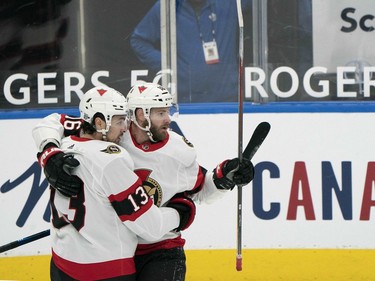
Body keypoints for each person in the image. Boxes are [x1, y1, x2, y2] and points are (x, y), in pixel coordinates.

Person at [32, 82, 254, 281]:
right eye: (160, 113)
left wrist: (224, 177)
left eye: (167, 112)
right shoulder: (114, 134)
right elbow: (54, 122)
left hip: (158, 249)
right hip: (122, 249)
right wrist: (49, 152)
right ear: (140, 115)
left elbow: (201, 189)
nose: (168, 119)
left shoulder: (178, 151)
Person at [130, 0, 251, 103]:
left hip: (228, 100)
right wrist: (167, 66)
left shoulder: (228, 3)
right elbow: (139, 41)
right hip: (186, 101)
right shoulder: (168, 6)